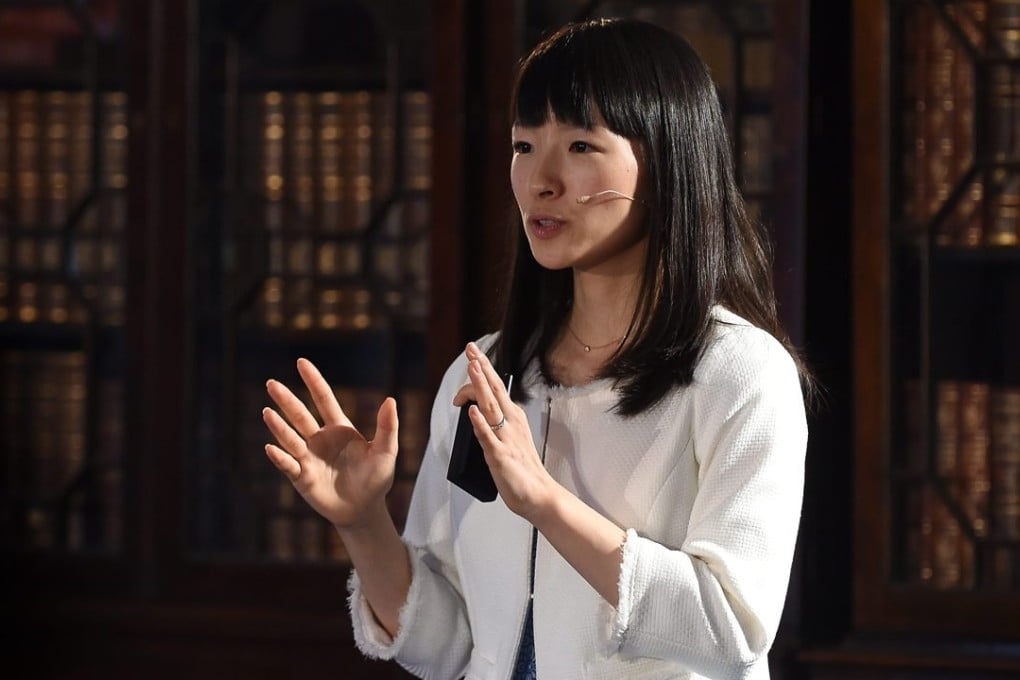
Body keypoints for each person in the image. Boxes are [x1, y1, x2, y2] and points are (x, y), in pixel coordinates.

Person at [262, 17, 810, 680]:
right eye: (524, 146)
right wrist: (364, 522)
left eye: (581, 145)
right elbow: (450, 648)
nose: (541, 179)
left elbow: (732, 625)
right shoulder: (489, 372)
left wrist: (543, 499)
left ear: (668, 159)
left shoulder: (739, 373)